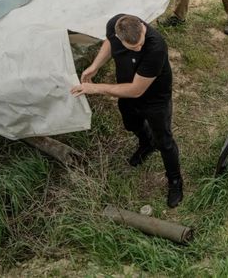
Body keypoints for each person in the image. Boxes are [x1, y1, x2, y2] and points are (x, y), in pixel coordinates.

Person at [70, 14, 183, 207]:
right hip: (126, 91)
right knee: (131, 124)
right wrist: (95, 66)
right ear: (119, 36)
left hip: (155, 98)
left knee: (164, 141)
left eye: (140, 43)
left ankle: (175, 181)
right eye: (133, 47)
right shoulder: (115, 26)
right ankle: (147, 144)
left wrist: (95, 88)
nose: (139, 49)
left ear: (142, 27)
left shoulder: (155, 47)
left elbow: (136, 90)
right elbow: (109, 42)